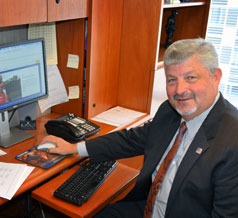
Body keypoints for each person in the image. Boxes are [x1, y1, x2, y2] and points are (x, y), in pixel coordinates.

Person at [41, 38, 238, 218]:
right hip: (148, 209)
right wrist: (75, 149)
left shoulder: (232, 140)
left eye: (191, 78)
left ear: (216, 77)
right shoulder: (169, 112)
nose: (179, 90)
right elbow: (131, 139)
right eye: (172, 80)